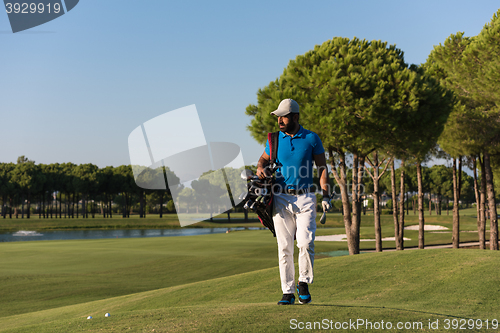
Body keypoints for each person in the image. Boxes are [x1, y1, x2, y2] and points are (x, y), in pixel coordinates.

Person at [256, 98, 331, 305]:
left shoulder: (311, 138)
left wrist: (326, 195)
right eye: (278, 116)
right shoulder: (274, 140)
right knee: (284, 247)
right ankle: (287, 292)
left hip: (305, 197)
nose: (279, 120)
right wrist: (260, 168)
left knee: (305, 243)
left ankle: (303, 282)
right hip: (280, 197)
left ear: (295, 117)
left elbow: (322, 168)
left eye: (284, 116)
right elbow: (262, 159)